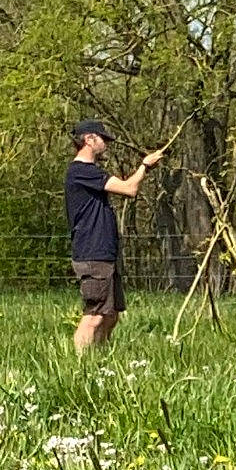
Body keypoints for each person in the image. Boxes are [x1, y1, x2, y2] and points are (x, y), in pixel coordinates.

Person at [65, 120, 164, 354]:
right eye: (103, 139)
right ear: (89, 139)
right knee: (95, 315)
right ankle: (77, 366)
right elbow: (129, 189)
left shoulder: (90, 172)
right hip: (92, 253)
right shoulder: (81, 171)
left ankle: (98, 360)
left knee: (111, 315)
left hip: (104, 254)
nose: (107, 144)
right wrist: (145, 167)